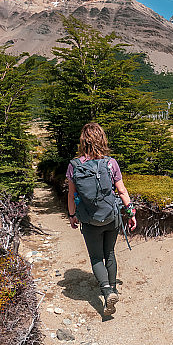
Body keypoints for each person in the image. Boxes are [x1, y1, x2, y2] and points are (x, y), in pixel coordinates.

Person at [66, 123, 137, 316]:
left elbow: (71, 195)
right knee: (110, 253)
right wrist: (131, 213)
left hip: (89, 220)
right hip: (111, 217)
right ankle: (112, 290)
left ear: (83, 141)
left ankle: (106, 291)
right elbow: (121, 190)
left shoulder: (74, 166)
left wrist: (72, 215)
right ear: (102, 140)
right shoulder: (110, 163)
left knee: (96, 257)